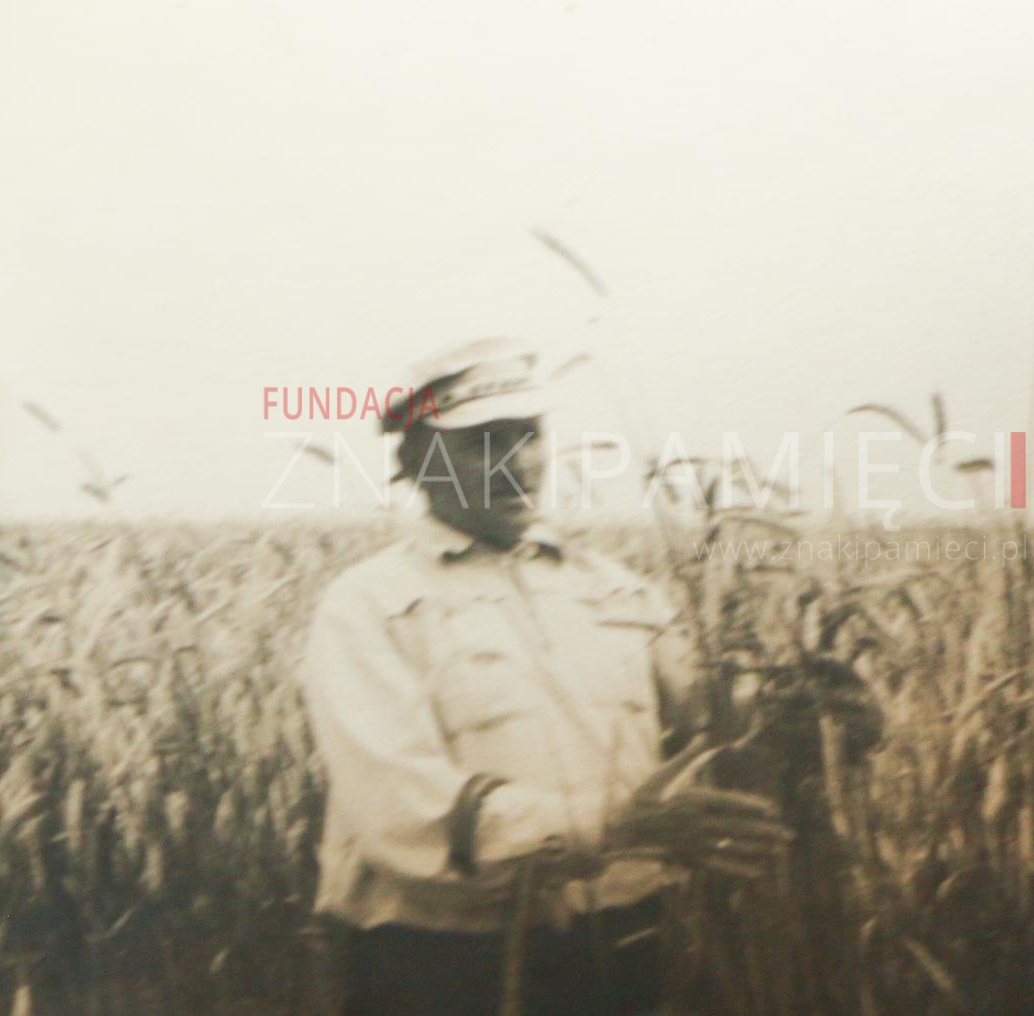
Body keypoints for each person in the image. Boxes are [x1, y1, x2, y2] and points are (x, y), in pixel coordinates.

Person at [300, 337, 792, 1016]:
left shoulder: (618, 590)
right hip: (445, 965)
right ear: (415, 463)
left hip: (629, 945)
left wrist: (802, 726)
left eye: (527, 435)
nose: (517, 464)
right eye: (483, 443)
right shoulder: (367, 605)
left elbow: (714, 737)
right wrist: (614, 825)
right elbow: (403, 813)